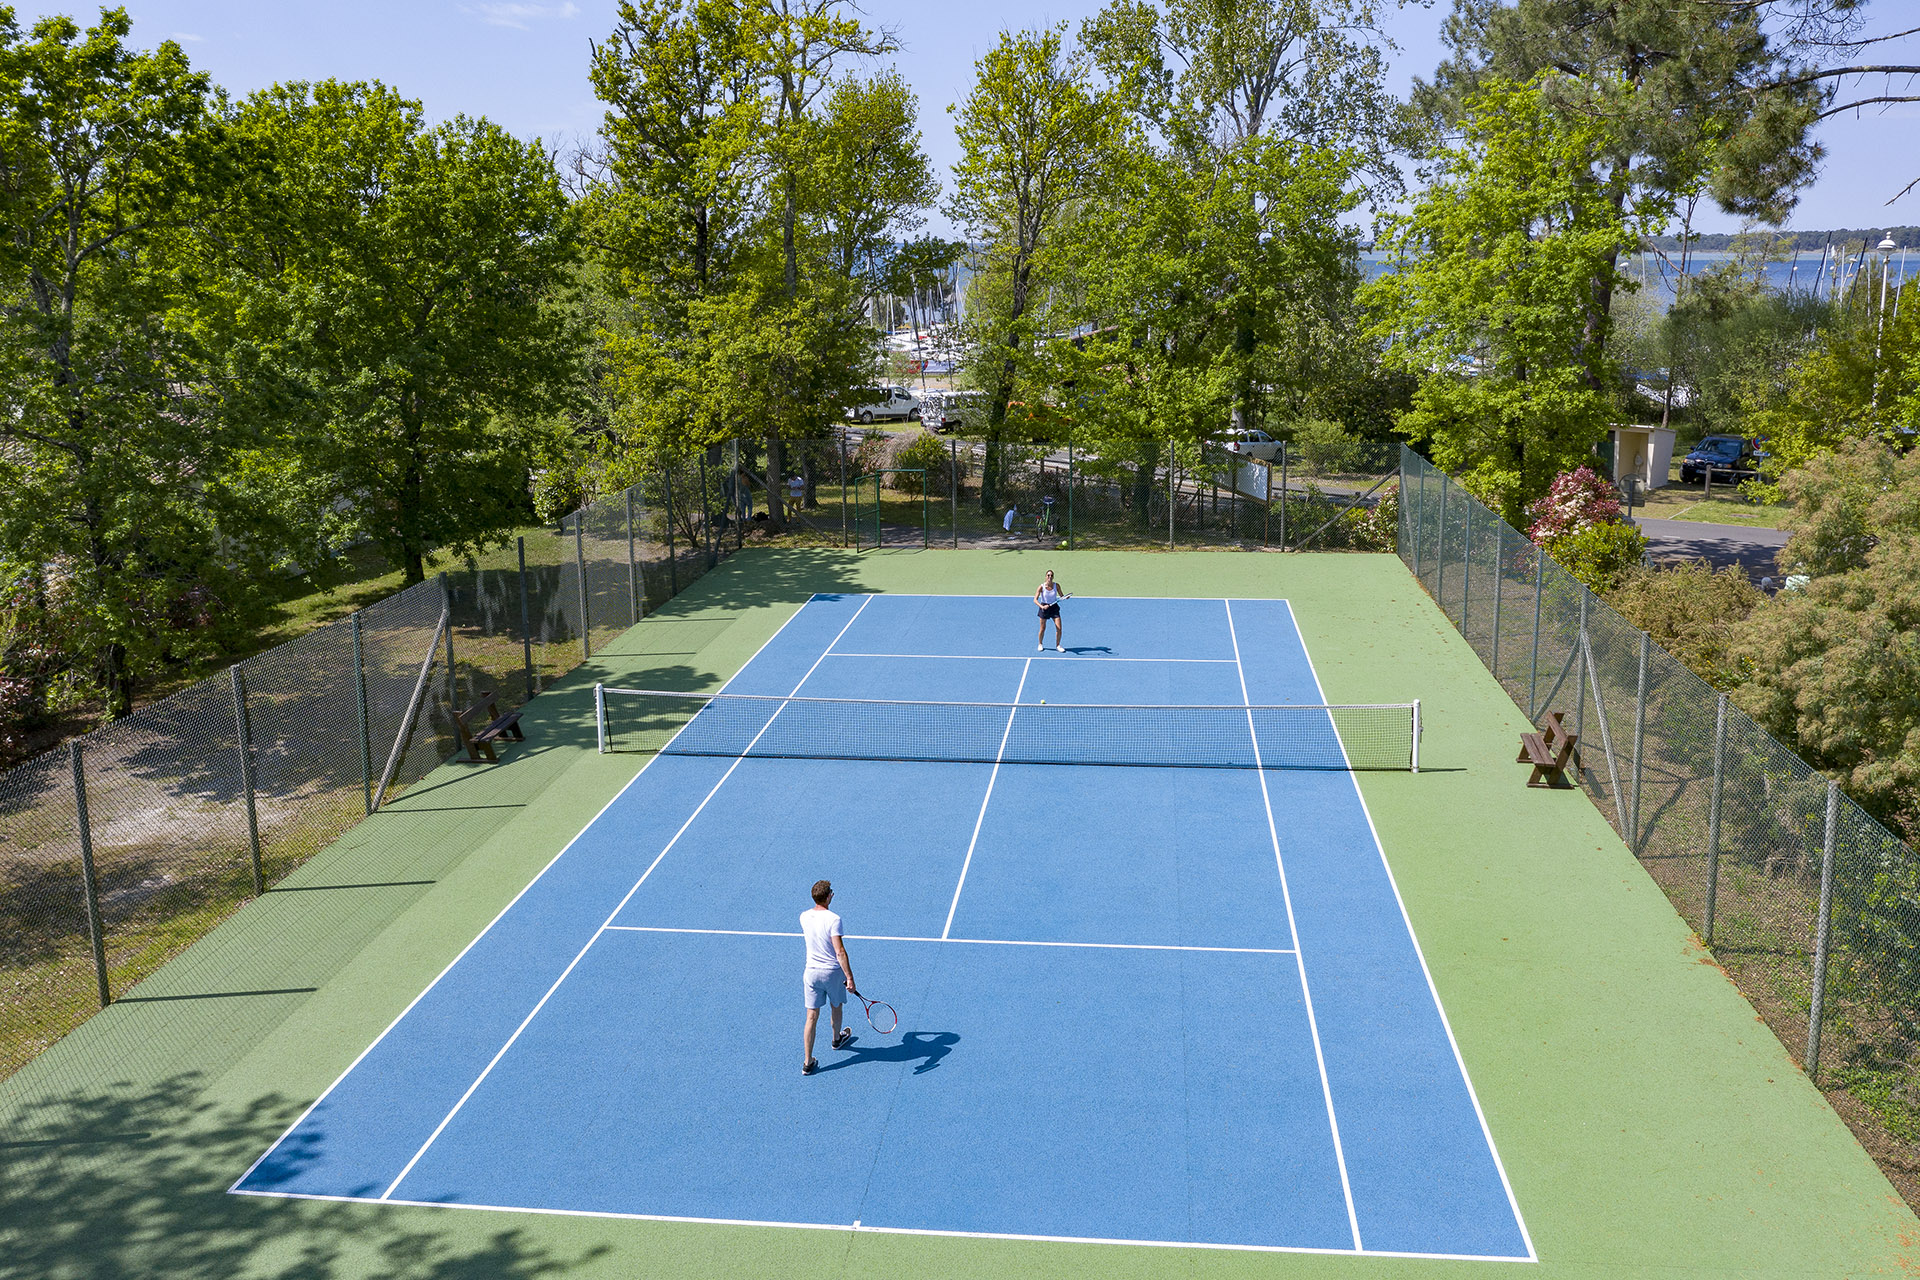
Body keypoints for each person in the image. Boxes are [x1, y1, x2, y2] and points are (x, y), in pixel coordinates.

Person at [801, 879, 857, 1075]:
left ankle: (808, 1062)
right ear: (827, 897)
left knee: (811, 1016)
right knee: (836, 1006)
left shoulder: (804, 917)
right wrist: (849, 977)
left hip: (811, 973)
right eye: (831, 892)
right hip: (831, 972)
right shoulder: (834, 919)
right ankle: (836, 1039)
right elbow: (840, 951)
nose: (833, 894)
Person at [1034, 570, 1070, 651]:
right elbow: (1035, 600)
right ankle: (1040, 643)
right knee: (1042, 628)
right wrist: (1042, 607)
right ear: (1045, 576)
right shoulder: (1041, 587)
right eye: (1048, 575)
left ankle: (1058, 645)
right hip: (1044, 607)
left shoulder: (1056, 586)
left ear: (1053, 577)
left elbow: (1061, 596)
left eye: (1051, 575)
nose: (1050, 577)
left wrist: (1065, 597)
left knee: (1059, 628)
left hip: (1054, 608)